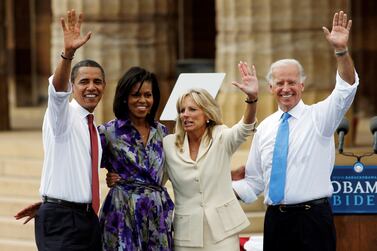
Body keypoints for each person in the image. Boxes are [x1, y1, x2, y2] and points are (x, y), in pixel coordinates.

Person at [232, 11, 358, 251]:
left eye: (291, 82)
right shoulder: (266, 127)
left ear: (302, 85)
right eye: (280, 83)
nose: (286, 88)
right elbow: (255, 182)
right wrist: (217, 184)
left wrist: (341, 51)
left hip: (313, 221)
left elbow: (346, 89)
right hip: (277, 222)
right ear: (271, 87)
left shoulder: (321, 117)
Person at [14, 10, 105, 250]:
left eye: (97, 81)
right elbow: (56, 92)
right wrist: (68, 55)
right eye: (84, 81)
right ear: (72, 86)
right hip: (63, 221)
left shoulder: (92, 126)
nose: (91, 87)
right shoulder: (62, 115)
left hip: (86, 219)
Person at [163, 61, 258, 250]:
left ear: (207, 114)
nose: (185, 115)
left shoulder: (221, 136)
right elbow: (153, 178)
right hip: (186, 233)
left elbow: (244, 128)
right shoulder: (169, 144)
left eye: (192, 109)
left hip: (223, 231)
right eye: (182, 110)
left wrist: (252, 99)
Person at [98, 66, 174, 250]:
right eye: (136, 95)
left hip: (157, 213)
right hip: (122, 212)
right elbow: (83, 167)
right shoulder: (107, 132)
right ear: (125, 98)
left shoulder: (162, 132)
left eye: (148, 95)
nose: (143, 100)